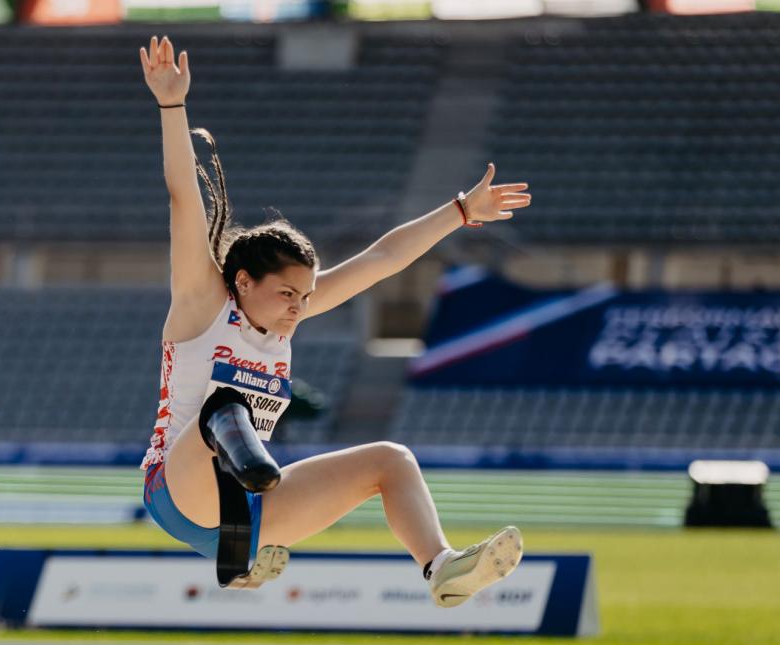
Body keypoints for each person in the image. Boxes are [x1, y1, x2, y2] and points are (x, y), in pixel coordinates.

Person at [137, 36, 532, 607]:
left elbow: (382, 259)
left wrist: (462, 211)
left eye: (305, 294)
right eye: (287, 293)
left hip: (251, 506)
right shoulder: (204, 305)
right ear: (243, 281)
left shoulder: (286, 322)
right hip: (178, 491)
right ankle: (242, 538)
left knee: (391, 462)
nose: (300, 306)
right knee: (222, 410)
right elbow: (182, 200)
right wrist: (172, 108)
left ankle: (441, 567)